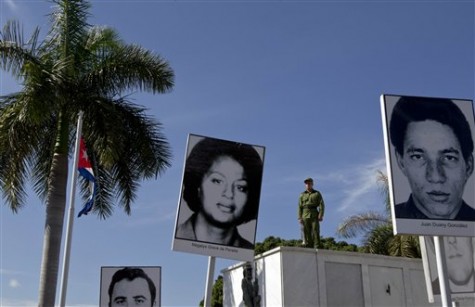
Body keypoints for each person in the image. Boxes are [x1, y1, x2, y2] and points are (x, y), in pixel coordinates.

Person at [389, 96, 475, 220]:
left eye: (449, 158)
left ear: (468, 166)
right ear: (401, 162)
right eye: (418, 157)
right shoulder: (397, 221)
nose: (436, 177)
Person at [175, 137, 264, 248]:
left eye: (240, 187)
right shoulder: (179, 236)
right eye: (217, 181)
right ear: (197, 184)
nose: (229, 194)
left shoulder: (248, 249)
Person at [298, 177, 325, 248]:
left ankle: (317, 246)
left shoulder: (317, 193)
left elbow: (321, 204)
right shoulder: (302, 194)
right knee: (306, 232)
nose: (308, 185)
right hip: (305, 214)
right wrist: (299, 217)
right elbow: (299, 206)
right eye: (306, 183)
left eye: (309, 183)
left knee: (315, 231)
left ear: (312, 184)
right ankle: (309, 247)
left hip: (314, 214)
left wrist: (321, 214)